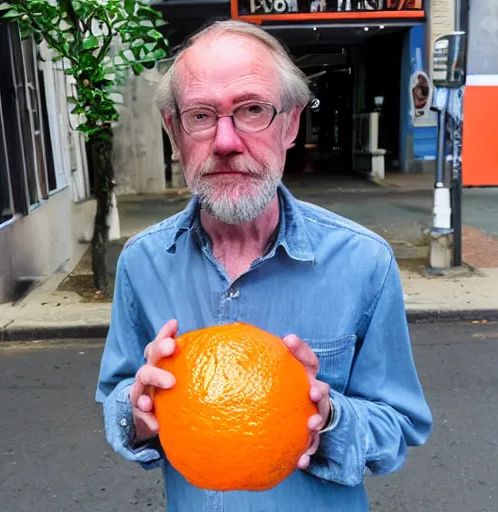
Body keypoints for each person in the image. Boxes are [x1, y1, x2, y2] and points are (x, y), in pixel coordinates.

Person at [95, 19, 432, 512]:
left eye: (252, 110)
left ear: (291, 124)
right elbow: (116, 395)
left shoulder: (363, 262)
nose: (226, 141)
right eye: (201, 115)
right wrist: (137, 412)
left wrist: (330, 419)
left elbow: (400, 424)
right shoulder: (143, 262)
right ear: (174, 131)